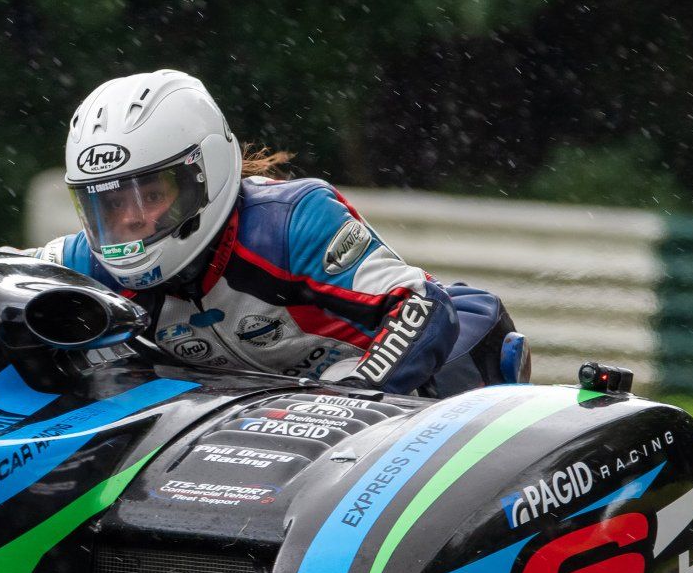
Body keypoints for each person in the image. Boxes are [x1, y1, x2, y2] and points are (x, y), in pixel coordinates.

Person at [34, 70, 527, 396]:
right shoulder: (85, 263)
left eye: (151, 194)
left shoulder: (293, 221)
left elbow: (422, 307)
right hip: (267, 412)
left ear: (203, 173)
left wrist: (351, 398)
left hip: (417, 372)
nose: (131, 221)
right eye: (111, 203)